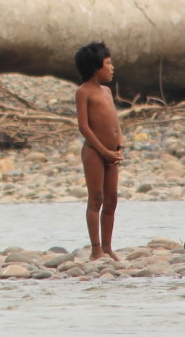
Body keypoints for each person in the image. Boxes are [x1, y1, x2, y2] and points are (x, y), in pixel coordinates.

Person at [74, 42, 123, 261]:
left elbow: (115, 122)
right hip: (94, 152)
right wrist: (103, 151)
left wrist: (119, 146)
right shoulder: (83, 92)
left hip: (112, 152)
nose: (112, 68)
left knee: (112, 199)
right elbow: (83, 127)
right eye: (108, 63)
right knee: (96, 198)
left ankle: (108, 247)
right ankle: (96, 249)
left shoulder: (107, 91)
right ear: (95, 68)